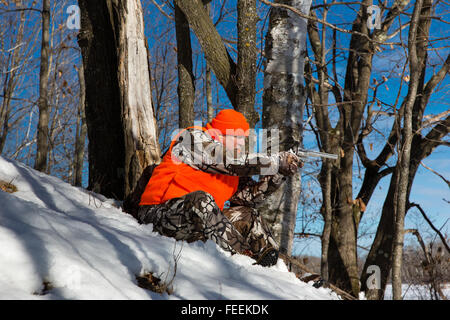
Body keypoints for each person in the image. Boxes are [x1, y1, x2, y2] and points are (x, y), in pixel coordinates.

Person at [137, 109, 302, 267]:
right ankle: (243, 262)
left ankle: (274, 268)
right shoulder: (191, 139)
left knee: (248, 214)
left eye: (243, 138)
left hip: (201, 225)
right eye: (236, 137)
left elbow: (250, 197)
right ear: (217, 134)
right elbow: (228, 161)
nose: (241, 143)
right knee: (201, 200)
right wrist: (273, 162)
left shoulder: (231, 168)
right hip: (157, 214)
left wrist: (280, 172)